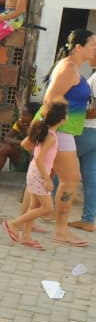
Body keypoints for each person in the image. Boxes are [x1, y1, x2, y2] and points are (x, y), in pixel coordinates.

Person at [25, 28, 96, 247]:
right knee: (71, 180)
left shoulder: (73, 68)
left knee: (43, 176)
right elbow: (49, 98)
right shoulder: (68, 68)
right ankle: (61, 230)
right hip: (61, 131)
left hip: (64, 131)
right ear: (78, 47)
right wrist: (52, 131)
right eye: (93, 44)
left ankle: (25, 224)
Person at [5, 100, 69, 250]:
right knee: (47, 208)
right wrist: (47, 179)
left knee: (34, 206)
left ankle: (26, 236)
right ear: (61, 118)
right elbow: (40, 158)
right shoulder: (51, 136)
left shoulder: (45, 131)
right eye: (66, 114)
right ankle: (13, 224)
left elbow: (25, 145)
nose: (68, 116)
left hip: (36, 172)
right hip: (39, 174)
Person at [0, 102, 38, 195]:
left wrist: (25, 130)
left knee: (33, 153)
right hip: (20, 160)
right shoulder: (20, 123)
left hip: (36, 161)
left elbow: (35, 143)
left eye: (25, 114)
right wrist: (21, 143)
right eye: (22, 114)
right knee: (5, 148)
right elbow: (6, 138)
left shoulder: (40, 126)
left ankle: (26, 192)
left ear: (34, 116)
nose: (22, 116)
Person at [71, 64, 96, 232]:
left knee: (60, 167)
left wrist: (73, 113)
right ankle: (88, 219)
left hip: (87, 128)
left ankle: (48, 208)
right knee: (90, 176)